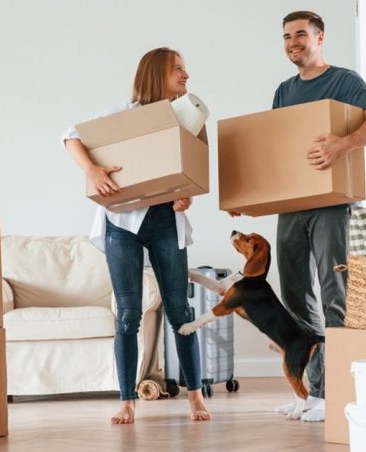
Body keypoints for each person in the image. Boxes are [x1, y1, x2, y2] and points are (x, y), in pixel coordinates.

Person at [63, 47, 210, 425]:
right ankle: (127, 400)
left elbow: (190, 171)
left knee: (181, 312)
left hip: (165, 220)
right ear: (156, 73)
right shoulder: (121, 117)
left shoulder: (187, 120)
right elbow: (69, 136)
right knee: (127, 315)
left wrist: (185, 194)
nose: (186, 75)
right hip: (122, 223)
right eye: (178, 69)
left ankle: (196, 397)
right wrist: (93, 171)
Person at [271, 10, 366, 422]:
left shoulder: (345, 81)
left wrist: (345, 143)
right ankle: (306, 390)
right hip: (291, 206)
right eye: (287, 36)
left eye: (301, 34)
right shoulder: (284, 90)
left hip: (332, 207)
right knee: (294, 299)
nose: (293, 43)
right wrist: (253, 197)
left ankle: (329, 392)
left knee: (333, 295)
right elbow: (276, 148)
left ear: (320, 38)